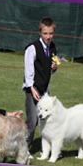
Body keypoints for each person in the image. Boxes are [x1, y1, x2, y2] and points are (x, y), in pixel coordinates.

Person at [22, 17, 58, 157]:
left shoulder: (53, 47)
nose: (48, 37)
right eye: (45, 33)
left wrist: (54, 68)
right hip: (32, 89)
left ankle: (47, 148)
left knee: (49, 119)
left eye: (50, 33)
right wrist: (32, 89)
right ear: (40, 32)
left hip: (44, 90)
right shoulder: (32, 49)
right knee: (32, 121)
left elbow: (50, 69)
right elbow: (28, 71)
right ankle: (24, 148)